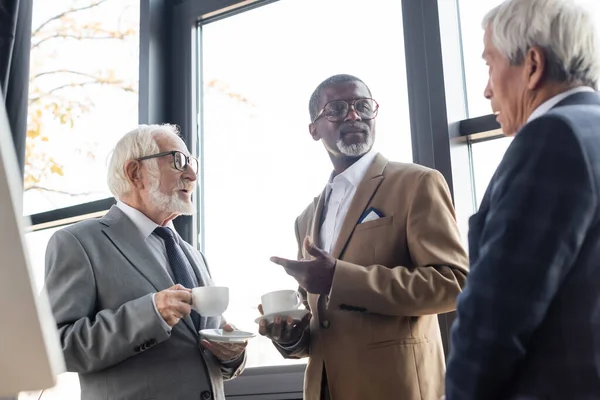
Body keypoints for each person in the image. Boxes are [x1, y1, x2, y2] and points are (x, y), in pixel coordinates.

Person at [259, 74, 469, 400]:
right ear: (314, 129)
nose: (354, 115)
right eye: (337, 109)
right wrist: (289, 335)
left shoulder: (417, 183)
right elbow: (324, 323)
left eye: (363, 106)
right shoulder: (306, 219)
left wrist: (338, 278)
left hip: (399, 389)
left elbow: (453, 284)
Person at [444, 0, 600, 399]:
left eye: (489, 64)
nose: (486, 89)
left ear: (532, 64)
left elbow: (494, 318)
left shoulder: (553, 137)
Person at [44, 124, 246, 400]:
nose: (191, 174)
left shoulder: (194, 256)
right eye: (178, 161)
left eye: (192, 164)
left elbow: (198, 356)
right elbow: (55, 347)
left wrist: (231, 356)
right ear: (135, 173)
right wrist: (150, 314)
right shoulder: (78, 242)